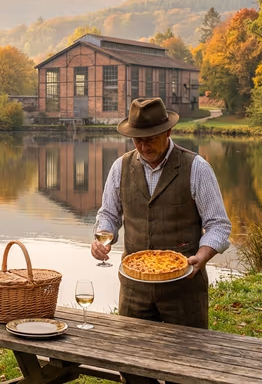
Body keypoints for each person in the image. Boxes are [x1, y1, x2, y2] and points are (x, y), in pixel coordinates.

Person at [91, 97, 231, 384]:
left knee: (187, 370)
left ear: (168, 132)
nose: (143, 146)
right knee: (132, 367)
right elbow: (108, 215)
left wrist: (201, 257)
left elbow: (218, 225)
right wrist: (102, 239)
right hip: (134, 288)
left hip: (184, 287)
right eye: (137, 140)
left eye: (150, 139)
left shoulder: (197, 167)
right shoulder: (119, 167)